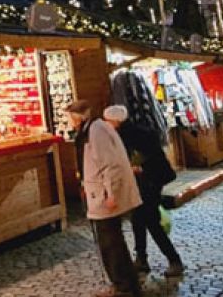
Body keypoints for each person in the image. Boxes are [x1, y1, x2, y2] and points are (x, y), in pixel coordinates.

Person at [65, 100, 142, 297]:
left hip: (104, 196)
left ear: (78, 117)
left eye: (70, 118)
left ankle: (123, 285)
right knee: (111, 240)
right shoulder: (92, 129)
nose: (70, 123)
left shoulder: (96, 131)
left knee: (111, 242)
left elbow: (110, 165)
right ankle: (125, 283)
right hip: (98, 193)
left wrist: (111, 194)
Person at [108, 105, 183, 278]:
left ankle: (174, 260)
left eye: (109, 121)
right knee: (138, 221)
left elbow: (150, 158)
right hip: (142, 184)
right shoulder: (130, 132)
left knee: (151, 222)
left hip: (150, 183)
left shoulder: (136, 135)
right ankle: (142, 259)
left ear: (116, 121)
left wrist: (139, 168)